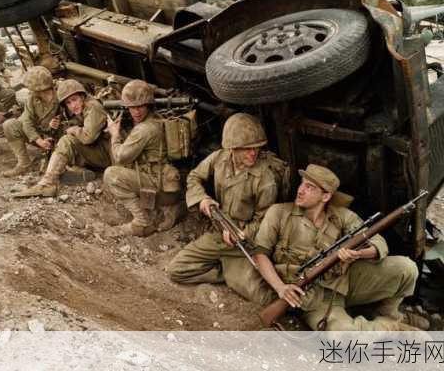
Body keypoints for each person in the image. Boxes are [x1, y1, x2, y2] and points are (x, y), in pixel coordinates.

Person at [251, 164, 428, 330]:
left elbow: (378, 243)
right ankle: (393, 327)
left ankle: (387, 315)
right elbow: (260, 254)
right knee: (346, 342)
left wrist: (358, 253)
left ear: (325, 196)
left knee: (407, 268)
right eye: (302, 184)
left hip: (342, 283)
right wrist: (280, 288)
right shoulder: (279, 213)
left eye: (310, 187)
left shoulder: (342, 216)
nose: (300, 190)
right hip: (311, 297)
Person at [167, 113, 279, 296]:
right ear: (233, 148)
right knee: (176, 270)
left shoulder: (266, 179)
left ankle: (230, 272)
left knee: (259, 295)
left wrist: (240, 235)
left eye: (257, 148)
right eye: (247, 148)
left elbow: (265, 221)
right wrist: (202, 199)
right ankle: (222, 272)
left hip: (244, 242)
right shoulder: (219, 158)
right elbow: (194, 177)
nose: (253, 153)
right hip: (217, 232)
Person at [102, 80, 182, 236]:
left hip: (158, 186)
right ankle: (167, 208)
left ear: (148, 105)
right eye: (132, 107)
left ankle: (142, 222)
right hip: (167, 183)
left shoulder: (144, 129)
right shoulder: (157, 118)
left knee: (111, 175)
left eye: (140, 106)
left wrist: (115, 135)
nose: (136, 112)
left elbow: (120, 157)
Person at [12, 79, 111, 197]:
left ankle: (47, 184)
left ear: (82, 96)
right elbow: (76, 124)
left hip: (107, 155)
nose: (73, 105)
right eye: (68, 103)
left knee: (67, 140)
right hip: (98, 151)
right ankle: (79, 172)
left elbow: (87, 137)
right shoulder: (83, 107)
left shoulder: (93, 107)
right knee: (65, 142)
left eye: (74, 100)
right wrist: (56, 127)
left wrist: (73, 130)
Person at [2, 66, 60, 178]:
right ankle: (24, 164)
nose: (29, 90)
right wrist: (38, 140)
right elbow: (26, 121)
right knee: (10, 125)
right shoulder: (33, 98)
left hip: (60, 136)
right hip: (42, 137)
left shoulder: (61, 94)